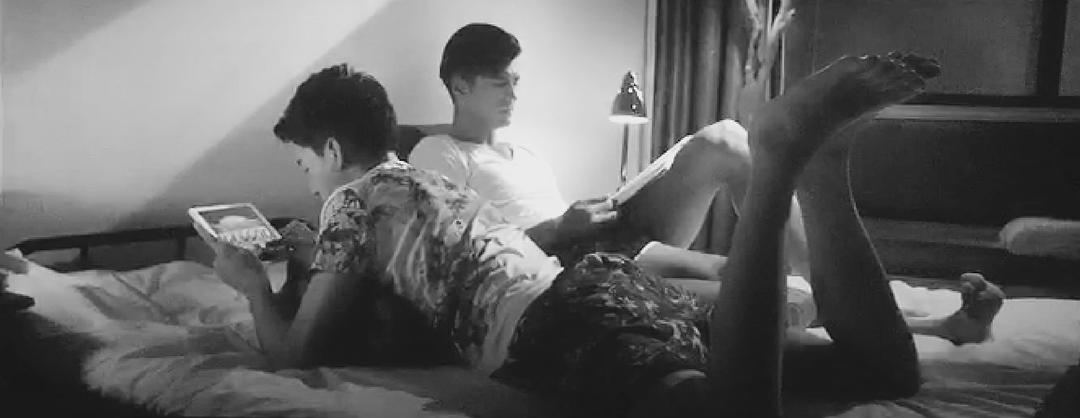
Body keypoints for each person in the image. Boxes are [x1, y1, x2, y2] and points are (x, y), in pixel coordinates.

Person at [194, 53, 965, 418]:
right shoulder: (417, 181)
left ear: (332, 151)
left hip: (556, 324)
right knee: (882, 371)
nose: (310, 184)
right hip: (599, 287)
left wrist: (249, 284)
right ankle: (825, 168)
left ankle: (781, 157)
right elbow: (392, 293)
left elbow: (298, 354)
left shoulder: (351, 204)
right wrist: (309, 258)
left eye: (304, 165)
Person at [409, 22, 1003, 343]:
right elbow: (457, 252)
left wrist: (581, 215)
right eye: (500, 83)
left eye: (516, 81)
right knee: (761, 287)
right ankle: (936, 326)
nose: (514, 94)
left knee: (726, 152)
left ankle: (869, 294)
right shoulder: (435, 152)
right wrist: (561, 226)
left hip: (600, 238)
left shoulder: (526, 151)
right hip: (557, 262)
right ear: (460, 85)